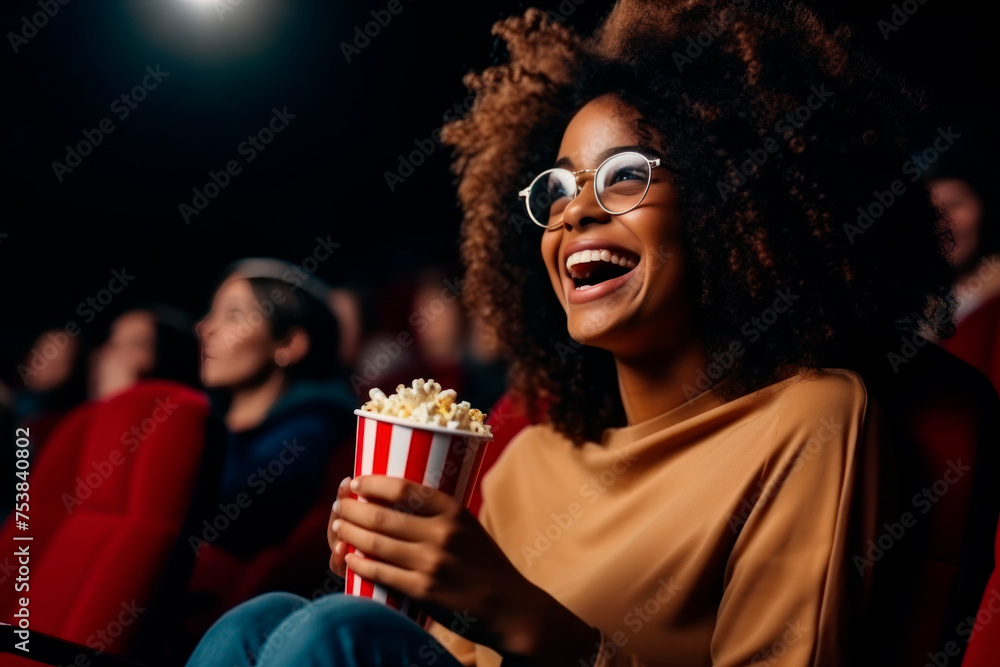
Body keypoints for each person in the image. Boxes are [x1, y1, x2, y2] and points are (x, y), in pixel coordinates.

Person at [185, 1, 958, 665]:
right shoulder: (525, 462)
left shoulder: (810, 420)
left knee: (332, 630)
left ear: (733, 199)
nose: (576, 211)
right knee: (263, 619)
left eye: (626, 173)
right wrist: (403, 587)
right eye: (556, 187)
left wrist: (530, 620)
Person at [193, 260, 356, 557]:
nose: (205, 328)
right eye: (212, 312)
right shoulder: (206, 417)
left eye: (233, 314)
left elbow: (229, 509)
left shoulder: (311, 427)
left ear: (289, 344)